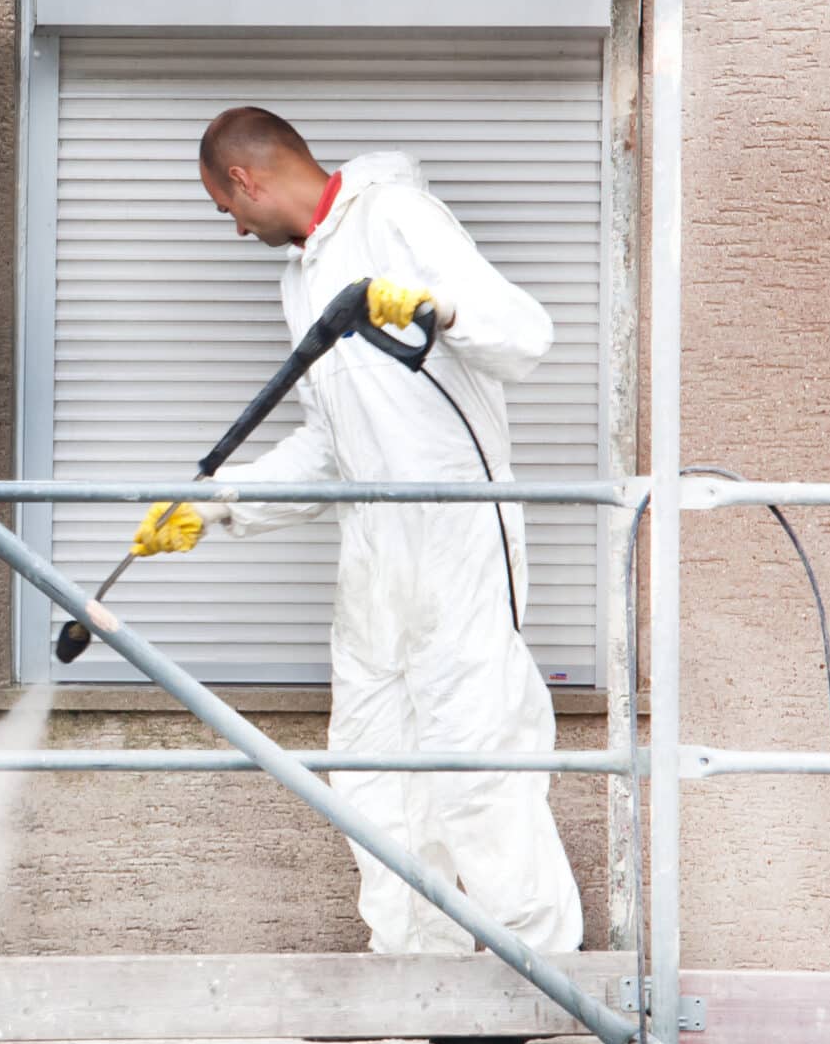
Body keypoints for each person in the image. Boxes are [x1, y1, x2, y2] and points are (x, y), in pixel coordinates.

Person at [130, 106, 582, 956]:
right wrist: (220, 501)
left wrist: (438, 308)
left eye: (225, 208)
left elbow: (526, 333)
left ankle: (539, 974)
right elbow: (334, 448)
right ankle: (420, 972)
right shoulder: (301, 279)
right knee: (372, 765)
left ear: (245, 179)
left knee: (477, 754)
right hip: (374, 550)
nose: (233, 228)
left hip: (455, 531)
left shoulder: (397, 217)